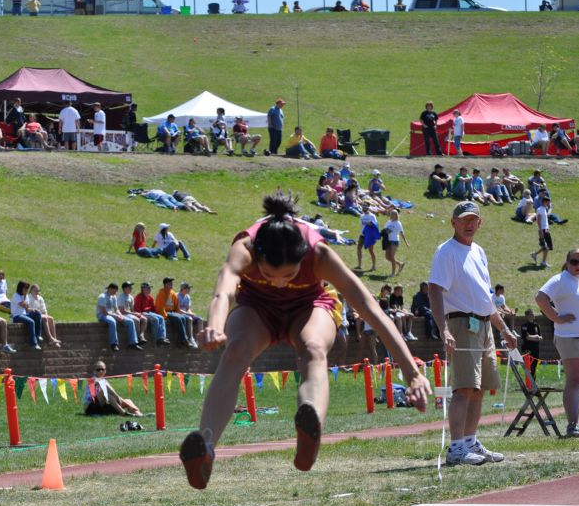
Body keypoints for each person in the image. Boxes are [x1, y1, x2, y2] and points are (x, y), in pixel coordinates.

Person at [178, 191, 431, 489]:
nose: (280, 282)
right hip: (258, 306)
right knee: (234, 351)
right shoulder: (245, 248)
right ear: (257, 256)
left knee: (313, 349)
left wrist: (412, 373)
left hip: (310, 304)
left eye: (289, 274)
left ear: (303, 258)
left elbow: (370, 308)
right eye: (271, 274)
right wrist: (215, 325)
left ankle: (310, 428)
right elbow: (224, 290)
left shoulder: (319, 254)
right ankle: (205, 448)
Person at [428, 201, 516, 466]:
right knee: (464, 387)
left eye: (473, 219)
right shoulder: (446, 251)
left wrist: (504, 329)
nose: (468, 224)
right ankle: (456, 447)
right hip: (461, 325)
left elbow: (485, 298)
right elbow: (435, 290)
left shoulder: (479, 251)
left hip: (484, 325)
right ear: (453, 222)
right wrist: (444, 329)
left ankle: (469, 441)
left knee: (479, 389)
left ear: (480, 223)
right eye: (463, 219)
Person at [535, 248, 579, 437]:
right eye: (574, 261)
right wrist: (557, 318)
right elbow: (540, 298)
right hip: (570, 336)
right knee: (574, 380)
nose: (578, 265)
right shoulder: (560, 280)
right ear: (567, 261)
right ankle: (573, 425)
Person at [96, 283, 140, 352]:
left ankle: (133, 343)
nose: (116, 292)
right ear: (110, 289)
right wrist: (115, 316)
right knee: (112, 321)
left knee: (130, 321)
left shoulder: (113, 297)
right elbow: (104, 312)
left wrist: (120, 315)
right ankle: (114, 344)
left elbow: (116, 309)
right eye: (115, 291)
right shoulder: (102, 297)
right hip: (102, 315)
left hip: (111, 314)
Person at [155, 277, 194, 348]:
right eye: (170, 283)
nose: (171, 284)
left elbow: (176, 305)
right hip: (166, 312)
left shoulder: (172, 293)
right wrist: (165, 317)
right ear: (165, 284)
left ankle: (180, 340)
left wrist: (178, 312)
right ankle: (184, 340)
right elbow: (160, 308)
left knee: (182, 318)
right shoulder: (161, 293)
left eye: (171, 283)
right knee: (178, 318)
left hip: (172, 312)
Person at [11, 281, 43, 350]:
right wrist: (25, 296)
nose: (26, 290)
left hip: (24, 314)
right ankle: (33, 344)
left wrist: (33, 310)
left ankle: (38, 335)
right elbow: (24, 305)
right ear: (20, 288)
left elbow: (27, 309)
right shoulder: (16, 296)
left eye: (27, 289)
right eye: (25, 289)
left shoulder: (25, 296)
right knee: (31, 322)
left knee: (37, 314)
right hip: (16, 316)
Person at [116, 282, 147, 346]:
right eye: (129, 287)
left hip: (129, 314)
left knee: (144, 319)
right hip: (124, 315)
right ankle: (138, 339)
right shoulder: (121, 297)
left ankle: (141, 335)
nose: (131, 288)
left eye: (131, 287)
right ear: (125, 288)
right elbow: (122, 311)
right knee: (137, 320)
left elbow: (132, 309)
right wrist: (134, 314)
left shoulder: (131, 297)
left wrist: (136, 313)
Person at [383, 209, 408, 277]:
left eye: (393, 214)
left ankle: (393, 273)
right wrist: (386, 231)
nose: (391, 215)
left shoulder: (398, 223)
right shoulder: (388, 222)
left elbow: (401, 233)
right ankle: (400, 264)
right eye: (391, 214)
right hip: (388, 241)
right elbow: (384, 230)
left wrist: (406, 242)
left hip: (395, 241)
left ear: (396, 215)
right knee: (387, 257)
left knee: (392, 256)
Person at [530, 196, 553, 268]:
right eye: (548, 202)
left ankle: (535, 254)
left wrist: (551, 208)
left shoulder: (544, 209)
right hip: (543, 230)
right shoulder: (540, 209)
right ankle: (543, 262)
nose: (549, 203)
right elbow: (538, 221)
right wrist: (541, 231)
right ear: (544, 202)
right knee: (547, 247)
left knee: (546, 246)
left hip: (545, 229)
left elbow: (547, 215)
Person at [354, 204, 378, 271]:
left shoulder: (372, 216)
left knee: (371, 250)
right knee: (359, 248)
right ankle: (359, 265)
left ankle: (374, 266)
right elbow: (362, 225)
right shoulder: (362, 216)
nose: (364, 209)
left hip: (370, 235)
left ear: (368, 208)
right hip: (362, 235)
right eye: (363, 208)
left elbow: (375, 225)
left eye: (365, 208)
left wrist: (371, 224)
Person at [519, 309, 542, 379]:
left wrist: (533, 337)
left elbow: (541, 337)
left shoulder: (536, 325)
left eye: (533, 314)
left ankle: (533, 383)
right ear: (527, 316)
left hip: (536, 349)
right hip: (528, 349)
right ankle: (529, 383)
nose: (533, 315)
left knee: (534, 367)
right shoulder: (524, 326)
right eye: (531, 314)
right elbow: (527, 337)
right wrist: (536, 336)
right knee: (529, 367)